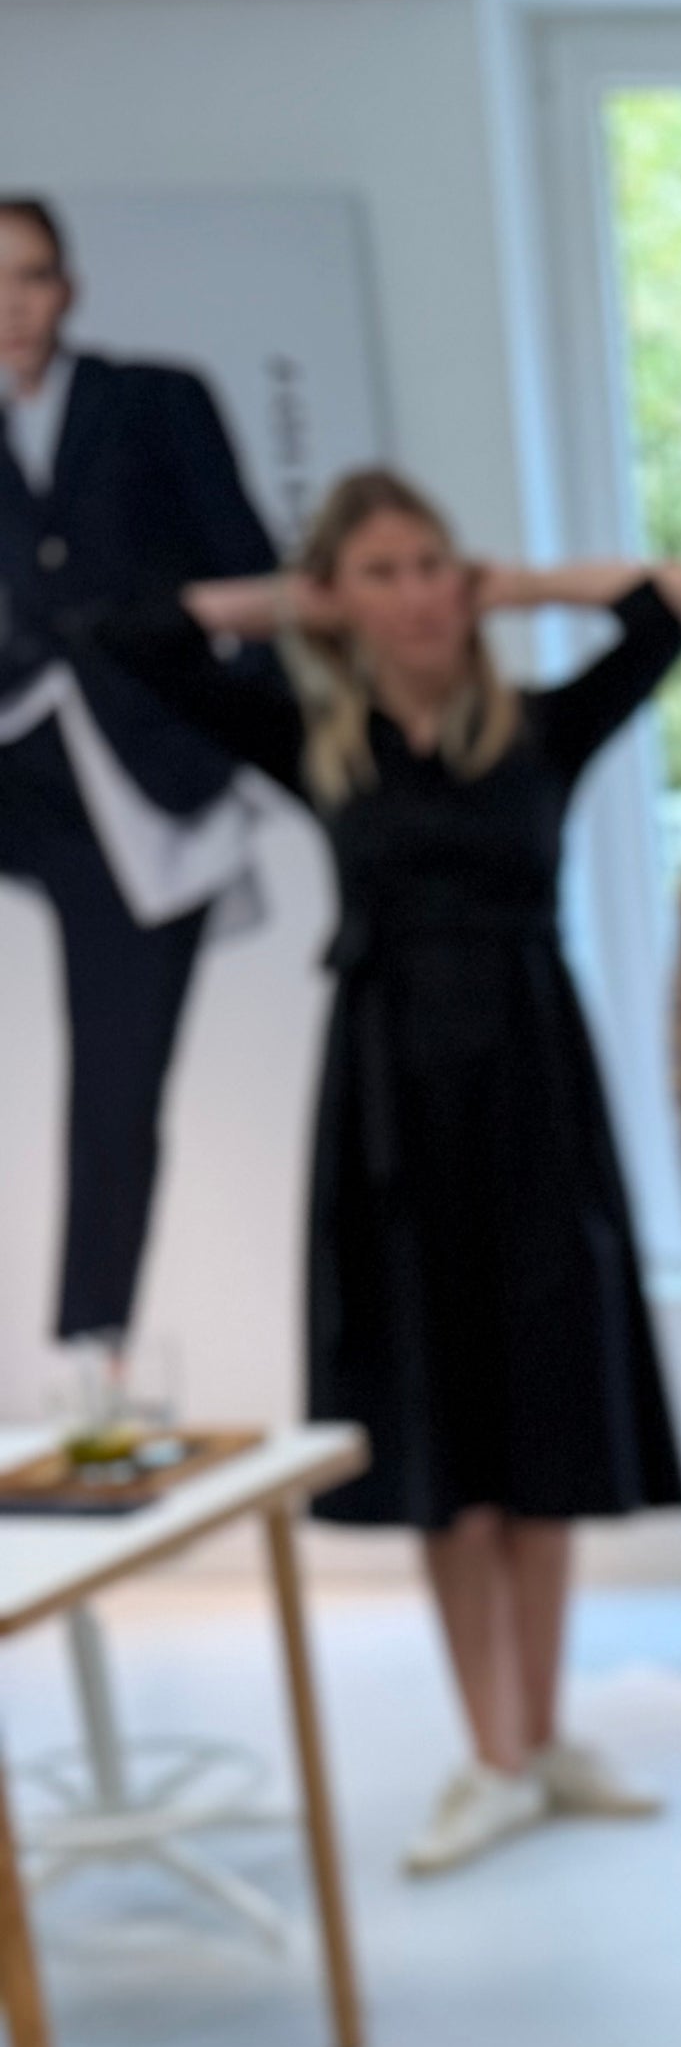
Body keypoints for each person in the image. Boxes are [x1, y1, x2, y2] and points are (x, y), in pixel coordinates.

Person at [85, 468, 681, 1875]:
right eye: (381, 572)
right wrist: (295, 608)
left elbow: (671, 608)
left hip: (536, 1098)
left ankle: (542, 1736)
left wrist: (514, 586)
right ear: (335, 598)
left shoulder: (540, 728)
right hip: (390, 1114)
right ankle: (491, 1753)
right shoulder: (322, 740)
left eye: (433, 564)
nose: (418, 594)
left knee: (542, 1427)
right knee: (445, 1432)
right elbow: (128, 636)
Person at [0, 191, 280, 1348]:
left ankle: (91, 1352)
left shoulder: (154, 400)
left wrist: (239, 739)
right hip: (18, 758)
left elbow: (251, 573)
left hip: (138, 769)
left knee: (115, 1079)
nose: (11, 304)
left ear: (66, 288)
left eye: (29, 276)